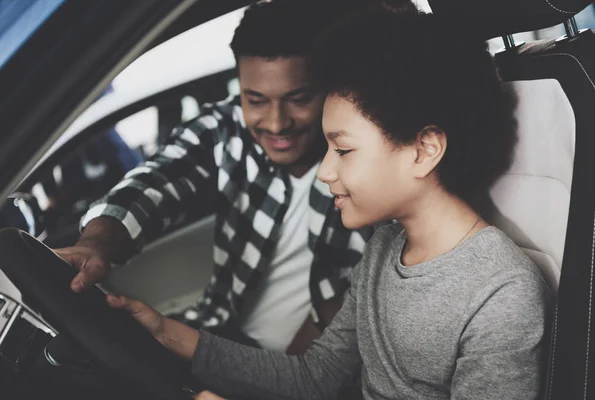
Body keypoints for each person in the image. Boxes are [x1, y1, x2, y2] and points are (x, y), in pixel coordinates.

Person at [108, 9, 553, 400]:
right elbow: (315, 379)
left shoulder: (501, 293)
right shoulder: (385, 247)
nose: (323, 172)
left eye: (342, 150)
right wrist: (162, 329)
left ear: (423, 150)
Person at [55, 0, 385, 355]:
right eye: (255, 100)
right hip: (211, 331)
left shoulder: (369, 168)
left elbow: (334, 339)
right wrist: (95, 245)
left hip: (286, 370)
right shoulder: (227, 127)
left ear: (329, 88)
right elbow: (152, 183)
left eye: (298, 98)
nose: (276, 123)